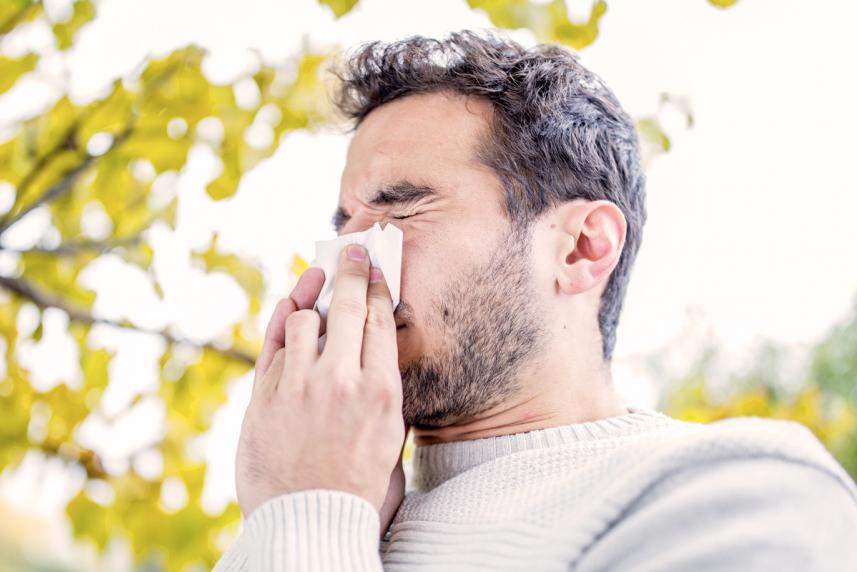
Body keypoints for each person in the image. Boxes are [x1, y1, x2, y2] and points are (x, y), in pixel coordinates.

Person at [214, 30, 857, 571]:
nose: (343, 263)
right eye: (342, 225)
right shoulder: (310, 509)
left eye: (401, 209)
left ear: (581, 248)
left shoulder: (738, 493)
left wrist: (309, 517)